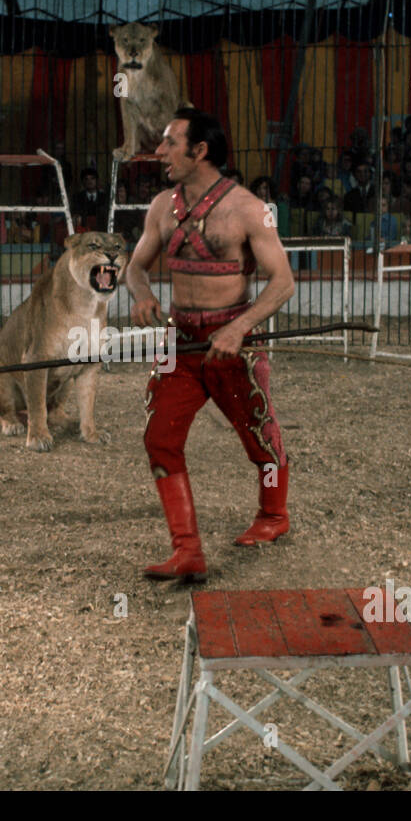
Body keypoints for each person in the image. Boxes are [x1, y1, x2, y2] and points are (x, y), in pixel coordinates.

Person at [126, 108, 295, 582]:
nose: (159, 152)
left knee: (259, 434)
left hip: (232, 343)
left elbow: (282, 282)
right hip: (181, 342)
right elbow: (135, 267)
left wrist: (240, 328)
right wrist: (142, 296)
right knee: (160, 439)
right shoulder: (162, 206)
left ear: (200, 151)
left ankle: (273, 516)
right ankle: (187, 552)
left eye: (170, 143)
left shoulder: (247, 208)